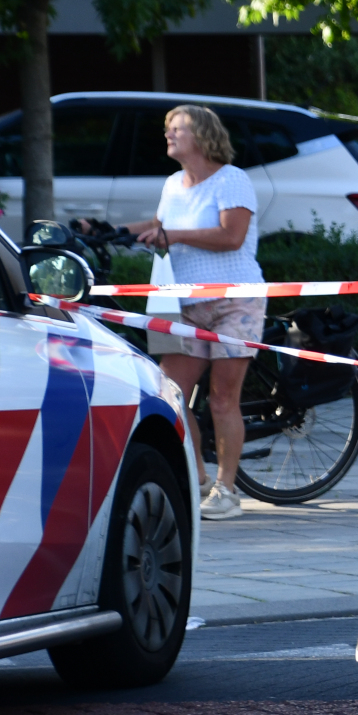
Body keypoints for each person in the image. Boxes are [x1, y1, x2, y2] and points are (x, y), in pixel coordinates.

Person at [124, 105, 263, 521]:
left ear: (202, 136)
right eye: (167, 128)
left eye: (176, 128)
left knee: (222, 399)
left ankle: (227, 490)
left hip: (234, 299)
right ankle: (199, 478)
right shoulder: (172, 184)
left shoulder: (232, 180)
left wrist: (172, 234)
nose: (168, 134)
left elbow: (232, 236)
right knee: (170, 394)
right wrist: (106, 229)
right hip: (183, 302)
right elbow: (160, 224)